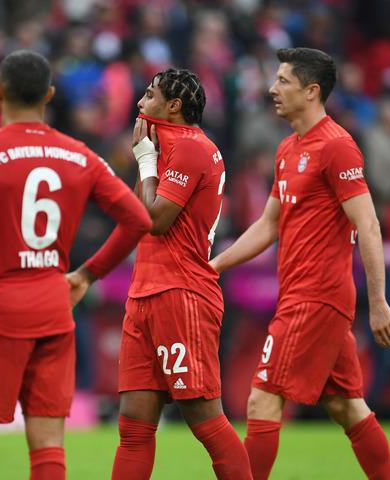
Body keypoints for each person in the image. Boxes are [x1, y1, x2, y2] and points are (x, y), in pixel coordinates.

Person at [0, 50, 150, 480]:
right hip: (53, 310)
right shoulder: (79, 155)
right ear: (50, 95)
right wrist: (86, 274)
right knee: (47, 446)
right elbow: (138, 219)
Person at [209, 48, 390, 480]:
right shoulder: (287, 149)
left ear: (311, 91)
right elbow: (269, 224)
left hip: (316, 298)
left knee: (262, 399)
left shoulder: (337, 147)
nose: (272, 89)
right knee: (347, 407)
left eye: (283, 81)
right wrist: (214, 265)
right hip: (301, 295)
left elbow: (368, 224)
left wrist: (378, 302)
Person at [97, 68, 252, 479]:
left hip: (181, 293)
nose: (139, 102)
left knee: (205, 419)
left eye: (149, 95)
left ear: (174, 106)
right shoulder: (166, 145)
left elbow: (155, 221)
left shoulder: (191, 148)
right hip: (146, 292)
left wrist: (145, 159)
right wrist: (146, 157)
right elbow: (139, 215)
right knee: (133, 425)